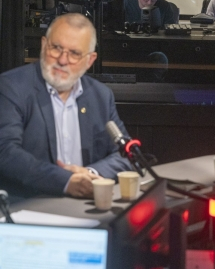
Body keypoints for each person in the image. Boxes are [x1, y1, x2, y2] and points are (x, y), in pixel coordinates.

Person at [0, 13, 133, 201]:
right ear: (44, 45)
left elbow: (126, 155)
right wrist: (66, 181)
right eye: (56, 48)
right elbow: (6, 152)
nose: (62, 60)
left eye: (74, 53)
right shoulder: (12, 87)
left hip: (86, 204)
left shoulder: (100, 96)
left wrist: (88, 174)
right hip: (30, 205)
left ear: (90, 60)